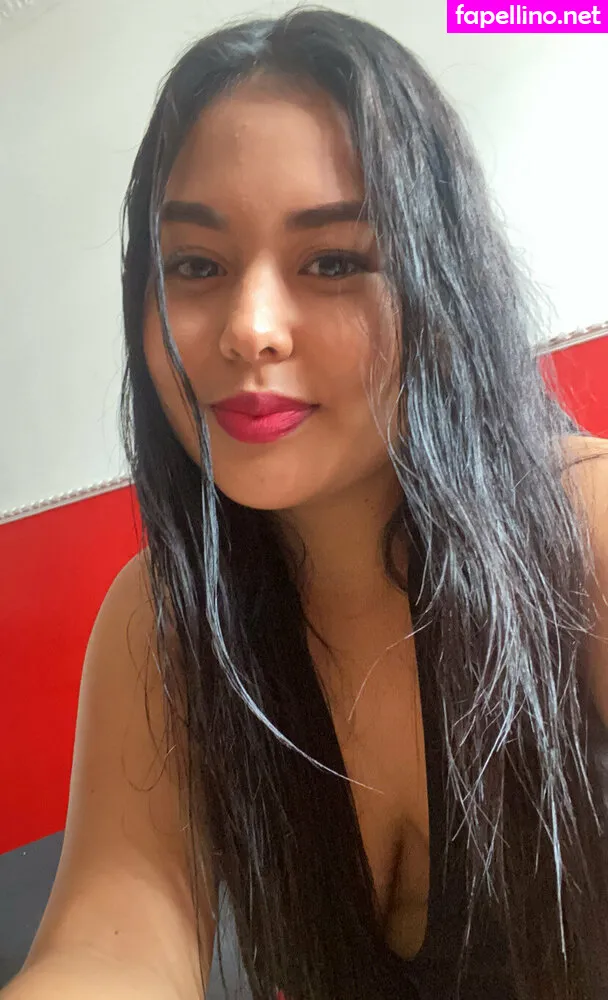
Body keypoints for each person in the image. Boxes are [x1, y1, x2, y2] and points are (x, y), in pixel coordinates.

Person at [4, 7, 608, 1000]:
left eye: (332, 262)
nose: (248, 329)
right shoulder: (162, 621)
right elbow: (112, 947)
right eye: (195, 266)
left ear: (440, 282)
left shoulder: (581, 520)